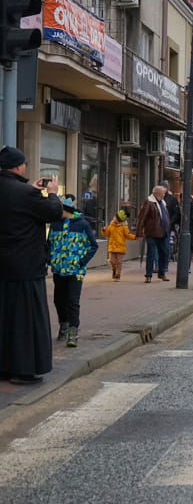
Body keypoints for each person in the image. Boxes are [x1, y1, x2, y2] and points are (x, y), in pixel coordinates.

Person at [0, 147, 64, 384]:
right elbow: (54, 213)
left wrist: (33, 191)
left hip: (3, 266)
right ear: (18, 166)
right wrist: (52, 193)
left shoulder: (22, 191)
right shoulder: (26, 193)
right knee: (26, 320)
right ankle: (24, 370)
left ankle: (4, 368)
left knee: (4, 318)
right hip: (25, 266)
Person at [48, 196, 99, 347]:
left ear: (66, 210)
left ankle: (73, 332)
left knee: (72, 301)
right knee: (58, 300)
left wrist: (81, 262)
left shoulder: (82, 225)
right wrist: (50, 259)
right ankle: (63, 324)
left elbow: (93, 246)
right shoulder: (55, 225)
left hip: (76, 271)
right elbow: (48, 244)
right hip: (58, 269)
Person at [137, 185, 171, 283]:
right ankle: (148, 275)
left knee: (164, 253)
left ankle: (162, 273)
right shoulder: (149, 202)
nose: (164, 194)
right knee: (151, 254)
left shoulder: (163, 202)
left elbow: (165, 216)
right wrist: (139, 232)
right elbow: (142, 217)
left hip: (163, 232)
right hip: (152, 233)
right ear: (157, 193)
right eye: (163, 193)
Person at [102, 209, 136, 281]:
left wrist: (135, 237)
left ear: (120, 220)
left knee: (119, 262)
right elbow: (106, 234)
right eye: (115, 217)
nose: (115, 218)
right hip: (112, 247)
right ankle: (114, 269)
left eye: (117, 218)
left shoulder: (124, 227)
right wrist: (104, 230)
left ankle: (118, 274)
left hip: (120, 247)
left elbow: (128, 235)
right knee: (111, 261)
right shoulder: (111, 225)